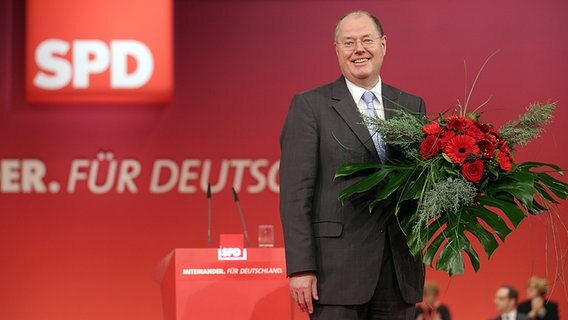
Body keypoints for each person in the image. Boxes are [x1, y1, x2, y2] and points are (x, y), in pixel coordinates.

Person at [279, 10, 426, 320]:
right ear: (337, 50)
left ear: (384, 45)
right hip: (335, 275)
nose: (359, 49)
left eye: (367, 40)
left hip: (399, 272)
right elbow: (295, 194)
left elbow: (420, 184)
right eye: (348, 42)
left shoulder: (412, 105)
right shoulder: (310, 106)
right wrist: (301, 267)